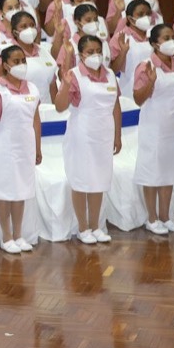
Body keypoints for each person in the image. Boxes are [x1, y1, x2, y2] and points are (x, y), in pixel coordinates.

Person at [54, 35, 121, 243]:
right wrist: (65, 85)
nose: (95, 55)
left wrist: (117, 135)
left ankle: (96, 225)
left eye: (98, 51)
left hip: (105, 133)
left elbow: (115, 106)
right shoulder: (74, 75)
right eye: (90, 52)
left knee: (99, 180)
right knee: (82, 179)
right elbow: (59, 106)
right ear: (81, 54)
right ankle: (83, 227)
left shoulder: (109, 75)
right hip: (82, 133)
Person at [0, 47, 41, 254]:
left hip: (26, 146)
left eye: (23, 60)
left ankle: (18, 234)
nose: (21, 64)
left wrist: (38, 147)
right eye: (16, 61)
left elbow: (35, 119)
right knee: (5, 191)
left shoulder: (32, 88)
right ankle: (6, 236)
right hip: (5, 146)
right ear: (5, 65)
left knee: (20, 191)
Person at [133, 25, 174, 235]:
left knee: (170, 171)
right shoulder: (146, 66)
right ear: (154, 43)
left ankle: (166, 215)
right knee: (153, 172)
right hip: (154, 127)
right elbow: (138, 99)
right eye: (166, 38)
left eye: (173, 37)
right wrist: (150, 83)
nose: (172, 41)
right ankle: (152, 218)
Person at [0, 10, 58, 104]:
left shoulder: (43, 51)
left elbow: (52, 85)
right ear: (15, 32)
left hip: (46, 107)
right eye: (24, 26)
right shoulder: (5, 50)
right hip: (19, 107)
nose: (29, 29)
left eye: (32, 25)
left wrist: (54, 109)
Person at [110, 0, 157, 94]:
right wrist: (123, 52)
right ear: (130, 19)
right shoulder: (120, 37)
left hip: (156, 85)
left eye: (148, 14)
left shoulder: (155, 34)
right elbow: (113, 70)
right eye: (140, 14)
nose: (145, 17)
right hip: (130, 89)